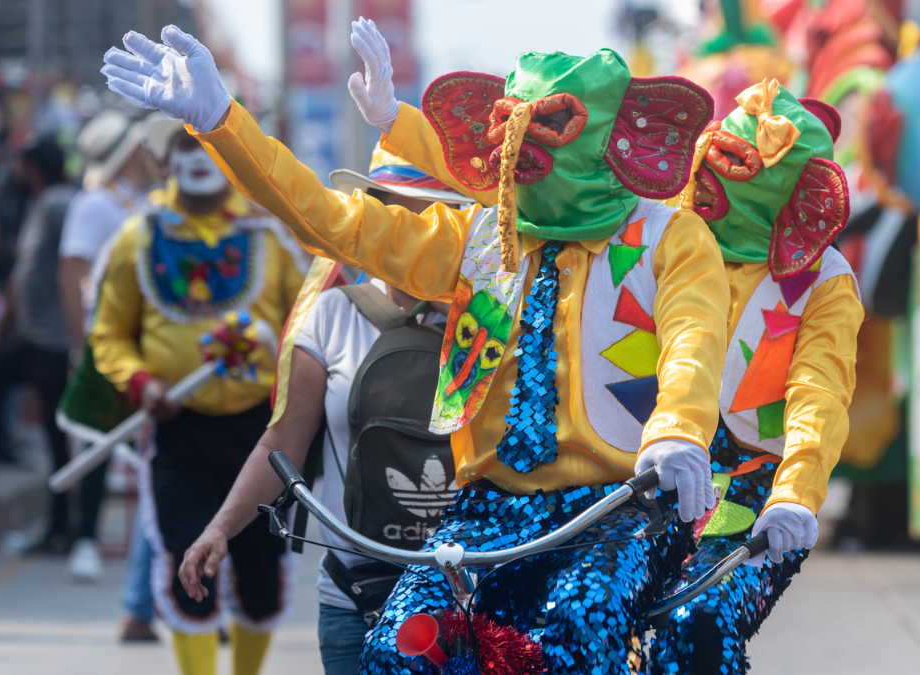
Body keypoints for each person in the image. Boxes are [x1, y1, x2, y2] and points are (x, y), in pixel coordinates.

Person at [104, 21, 729, 673]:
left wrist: (679, 431)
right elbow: (330, 218)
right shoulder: (482, 239)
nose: (516, 154)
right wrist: (222, 121)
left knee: (578, 643)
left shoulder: (670, 238)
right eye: (512, 130)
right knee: (397, 654)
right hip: (487, 508)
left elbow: (694, 339)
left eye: (546, 130)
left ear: (609, 141)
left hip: (614, 509)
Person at [347, 31, 863, 673]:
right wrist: (398, 123)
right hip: (645, 478)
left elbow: (820, 393)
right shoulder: (658, 224)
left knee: (693, 627)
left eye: (736, 167)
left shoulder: (821, 280)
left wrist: (798, 494)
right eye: (710, 156)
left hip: (749, 489)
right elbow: (523, 181)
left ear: (784, 197)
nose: (706, 177)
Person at [176, 147, 470, 675]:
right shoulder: (332, 315)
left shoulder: (494, 320)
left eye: (432, 214)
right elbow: (282, 444)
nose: (411, 232)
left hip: (471, 595)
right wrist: (219, 528)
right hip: (353, 595)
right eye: (392, 213)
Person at [89, 124, 306, 675]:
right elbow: (109, 335)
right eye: (184, 146)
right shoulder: (137, 238)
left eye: (208, 145)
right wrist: (142, 385)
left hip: (263, 433)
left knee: (261, 571)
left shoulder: (270, 235)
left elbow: (307, 327)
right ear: (163, 160)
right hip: (179, 432)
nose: (197, 158)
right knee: (186, 561)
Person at [58, 109, 174, 585]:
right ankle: (83, 539)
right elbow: (71, 273)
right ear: (127, 152)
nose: (150, 154)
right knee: (97, 442)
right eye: (142, 147)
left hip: (143, 345)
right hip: (107, 343)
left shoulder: (137, 201)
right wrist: (79, 347)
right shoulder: (96, 205)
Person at [0, 138, 75, 527]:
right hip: (30, 339)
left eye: (21, 164)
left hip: (50, 343)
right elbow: (22, 278)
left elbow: (75, 266)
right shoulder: (42, 204)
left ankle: (60, 526)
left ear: (36, 168)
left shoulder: (58, 204)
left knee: (56, 437)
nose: (13, 172)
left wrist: (78, 340)